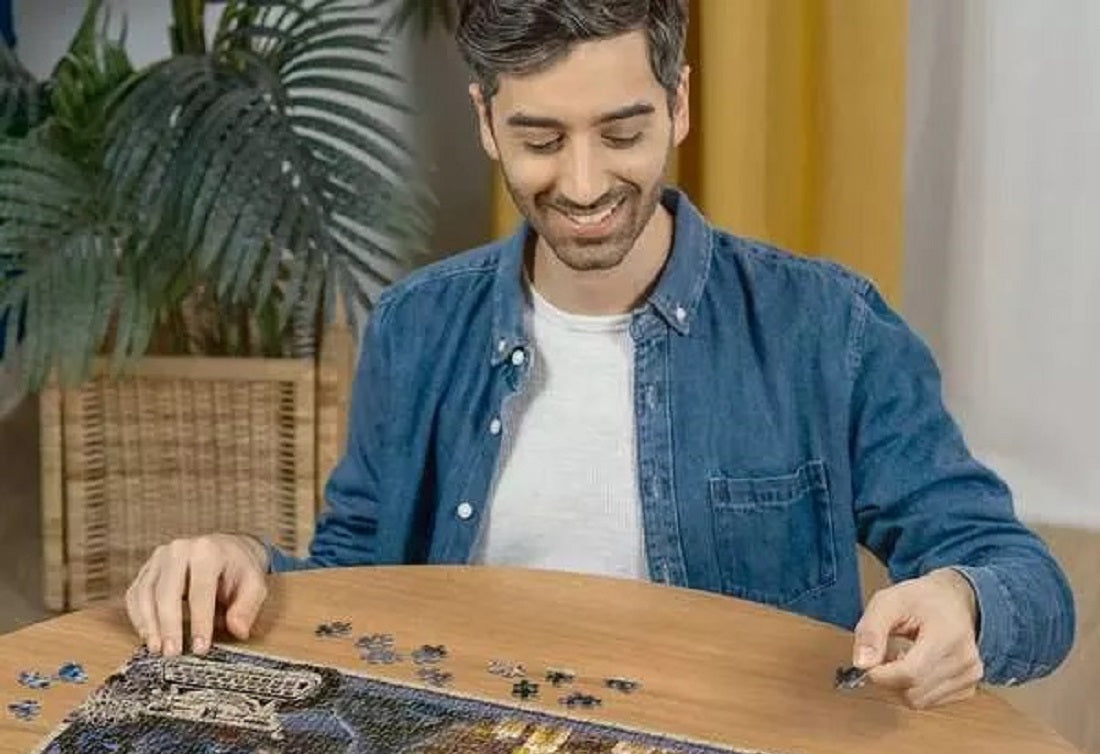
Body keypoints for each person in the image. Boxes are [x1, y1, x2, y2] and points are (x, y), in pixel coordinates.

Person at [126, 0, 1074, 709]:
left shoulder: (828, 327)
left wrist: (965, 602)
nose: (583, 185)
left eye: (622, 132)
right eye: (540, 139)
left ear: (680, 103)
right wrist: (243, 561)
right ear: (487, 120)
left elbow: (1027, 581)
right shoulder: (417, 325)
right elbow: (354, 584)